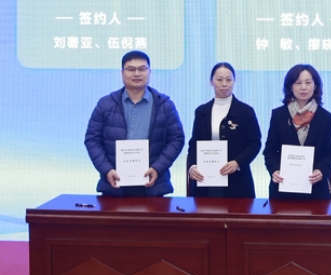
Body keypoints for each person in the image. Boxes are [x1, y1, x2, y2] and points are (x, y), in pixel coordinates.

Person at [84, 50, 184, 196]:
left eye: (142, 69)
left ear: (150, 72)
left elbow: (176, 139)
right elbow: (92, 139)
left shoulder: (164, 104)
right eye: (131, 69)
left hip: (153, 185)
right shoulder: (105, 104)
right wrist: (107, 169)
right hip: (114, 184)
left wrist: (157, 168)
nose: (137, 74)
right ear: (122, 73)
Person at [263, 64, 331, 199]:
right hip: (283, 187)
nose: (303, 87)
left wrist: (321, 170)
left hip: (315, 189)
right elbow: (270, 150)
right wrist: (274, 170)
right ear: (291, 87)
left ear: (315, 86)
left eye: (308, 83)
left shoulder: (325, 117)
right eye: (298, 83)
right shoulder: (278, 115)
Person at [187, 63, 261, 198]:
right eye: (219, 80)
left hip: (237, 180)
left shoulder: (246, 111)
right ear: (211, 82)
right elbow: (194, 143)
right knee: (205, 211)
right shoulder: (201, 111)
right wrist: (192, 167)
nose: (224, 84)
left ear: (234, 81)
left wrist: (237, 163)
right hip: (205, 180)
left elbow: (254, 144)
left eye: (229, 79)